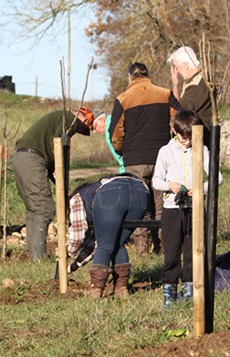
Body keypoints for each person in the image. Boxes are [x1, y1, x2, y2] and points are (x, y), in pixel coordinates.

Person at [108, 62, 183, 255]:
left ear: (129, 77)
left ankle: (142, 250)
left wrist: (125, 150)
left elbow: (115, 134)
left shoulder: (123, 99)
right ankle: (166, 247)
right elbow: (180, 119)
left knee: (139, 206)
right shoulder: (164, 93)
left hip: (134, 161)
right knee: (162, 205)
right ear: (147, 75)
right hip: (161, 158)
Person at [152, 110, 223, 308]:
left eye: (191, 138)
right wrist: (170, 185)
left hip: (195, 209)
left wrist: (201, 188)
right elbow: (156, 181)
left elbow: (218, 178)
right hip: (172, 210)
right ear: (175, 132)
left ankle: (190, 291)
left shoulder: (203, 151)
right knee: (172, 253)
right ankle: (169, 294)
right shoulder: (165, 152)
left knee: (192, 252)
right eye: (183, 138)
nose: (187, 142)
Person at [11, 107, 96, 261]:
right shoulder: (70, 119)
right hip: (32, 159)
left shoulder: (60, 118)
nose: (79, 130)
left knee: (34, 209)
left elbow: (51, 147)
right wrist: (60, 166)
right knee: (45, 209)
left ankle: (35, 257)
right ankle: (39, 258)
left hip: (21, 157)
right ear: (84, 119)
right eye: (85, 126)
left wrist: (59, 181)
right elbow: (58, 143)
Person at [66, 173, 150, 298]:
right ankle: (121, 290)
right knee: (118, 243)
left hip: (113, 194)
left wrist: (67, 252)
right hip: (141, 192)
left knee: (105, 245)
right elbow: (93, 245)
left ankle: (96, 293)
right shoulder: (94, 192)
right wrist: (73, 266)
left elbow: (77, 236)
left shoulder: (77, 198)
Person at [168, 46, 212, 146]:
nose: (176, 71)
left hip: (198, 144)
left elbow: (179, 115)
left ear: (186, 65)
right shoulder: (196, 81)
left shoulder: (197, 86)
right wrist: (175, 84)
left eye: (176, 67)